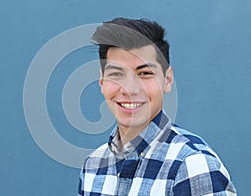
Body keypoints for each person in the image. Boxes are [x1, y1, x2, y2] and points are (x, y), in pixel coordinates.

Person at [78, 18, 237, 196]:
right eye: (116, 74)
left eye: (144, 73)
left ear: (167, 80)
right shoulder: (94, 164)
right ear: (102, 82)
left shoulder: (192, 164)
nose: (130, 89)